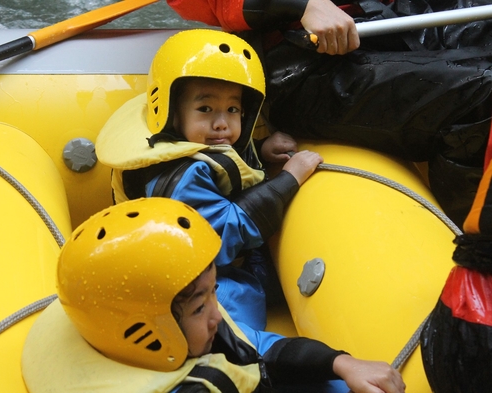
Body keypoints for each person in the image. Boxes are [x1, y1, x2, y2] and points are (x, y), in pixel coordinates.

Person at [166, 0, 492, 227]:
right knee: (483, 92)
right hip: (303, 61)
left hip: (388, 21)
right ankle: (477, 256)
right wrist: (301, 4)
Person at [96, 29, 322, 351]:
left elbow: (221, 163)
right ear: (172, 113)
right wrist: (288, 179)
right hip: (199, 282)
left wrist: (258, 147)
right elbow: (223, 235)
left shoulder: (181, 149)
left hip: (212, 268)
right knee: (230, 334)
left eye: (233, 110)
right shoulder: (184, 174)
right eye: (205, 109)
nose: (222, 124)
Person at [52, 197, 406, 392]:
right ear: (144, 334)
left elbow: (265, 348)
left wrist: (344, 363)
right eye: (198, 308)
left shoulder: (192, 336)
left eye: (212, 295)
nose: (217, 316)